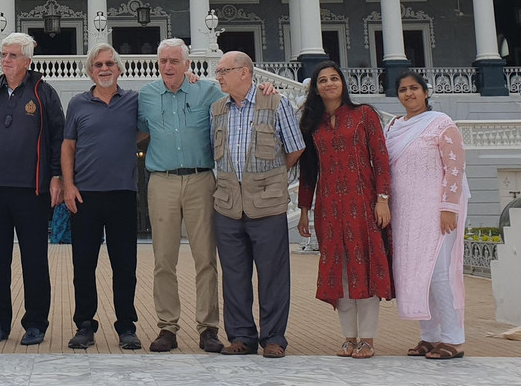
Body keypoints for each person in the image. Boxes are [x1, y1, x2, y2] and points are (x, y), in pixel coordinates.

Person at [210, 51, 304, 359]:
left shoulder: (276, 104)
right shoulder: (217, 109)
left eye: (224, 70)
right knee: (234, 274)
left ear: (245, 73)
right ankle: (241, 336)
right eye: (217, 71)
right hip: (228, 205)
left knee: (273, 274)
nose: (218, 75)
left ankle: (274, 337)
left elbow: (294, 148)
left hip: (267, 205)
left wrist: (272, 178)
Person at [296, 61, 393, 359]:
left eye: (334, 78)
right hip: (329, 209)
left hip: (364, 206)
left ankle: (368, 339)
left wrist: (383, 199)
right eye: (322, 80)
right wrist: (303, 209)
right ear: (316, 88)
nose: (328, 84)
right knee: (340, 274)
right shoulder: (313, 125)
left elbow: (380, 158)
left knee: (365, 270)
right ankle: (349, 337)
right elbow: (309, 171)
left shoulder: (364, 115)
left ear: (342, 83)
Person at [137, 38, 224, 354]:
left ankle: (209, 328)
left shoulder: (208, 91)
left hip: (201, 181)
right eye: (163, 61)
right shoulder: (146, 95)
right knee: (163, 260)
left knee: (205, 258)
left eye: (175, 61)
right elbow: (130, 129)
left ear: (188, 64)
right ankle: (167, 328)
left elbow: (242, 101)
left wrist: (267, 90)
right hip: (162, 181)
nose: (168, 66)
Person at [0, 33, 65, 346]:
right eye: (4, 55)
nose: (6, 60)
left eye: (13, 55)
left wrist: (56, 176)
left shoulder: (44, 93)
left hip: (32, 191)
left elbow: (59, 136)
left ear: (28, 61)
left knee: (34, 259)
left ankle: (35, 323)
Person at [62, 43, 142, 351]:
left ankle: (126, 326)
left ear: (119, 68)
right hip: (85, 196)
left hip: (123, 193)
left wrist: (189, 78)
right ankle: (84, 324)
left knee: (125, 265)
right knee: (83, 264)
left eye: (110, 63)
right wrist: (68, 185)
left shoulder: (135, 101)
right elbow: (68, 147)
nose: (104, 68)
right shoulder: (78, 104)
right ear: (90, 71)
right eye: (98, 64)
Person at [385, 70, 470, 361]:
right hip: (406, 212)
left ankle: (453, 339)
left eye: (414, 88)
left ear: (426, 92)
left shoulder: (441, 124)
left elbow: (455, 169)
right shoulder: (394, 127)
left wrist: (449, 208)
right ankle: (430, 336)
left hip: (436, 211)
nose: (408, 94)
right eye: (403, 89)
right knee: (418, 274)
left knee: (439, 274)